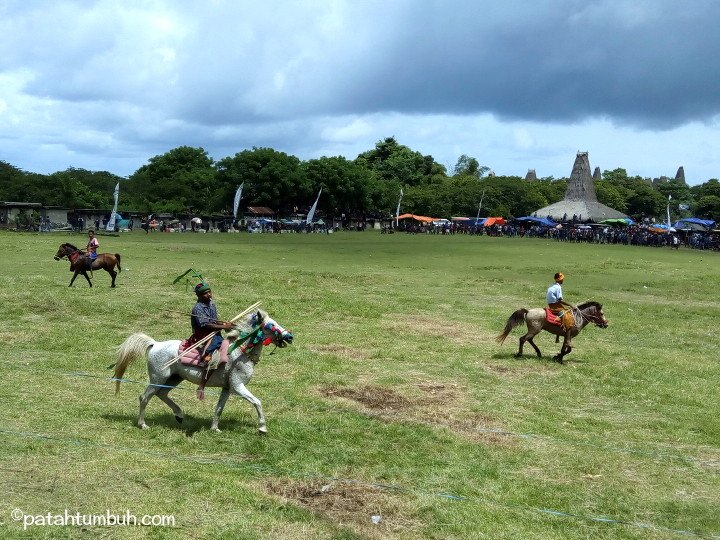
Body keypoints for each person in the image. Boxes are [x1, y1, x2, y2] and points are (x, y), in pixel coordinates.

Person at [189, 282, 235, 400]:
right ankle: (201, 385)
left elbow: (214, 321)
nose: (209, 295)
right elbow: (206, 325)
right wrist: (224, 327)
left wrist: (224, 324)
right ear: (199, 296)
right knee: (213, 358)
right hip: (203, 335)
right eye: (205, 293)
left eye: (209, 292)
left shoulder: (211, 304)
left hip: (214, 333)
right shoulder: (197, 308)